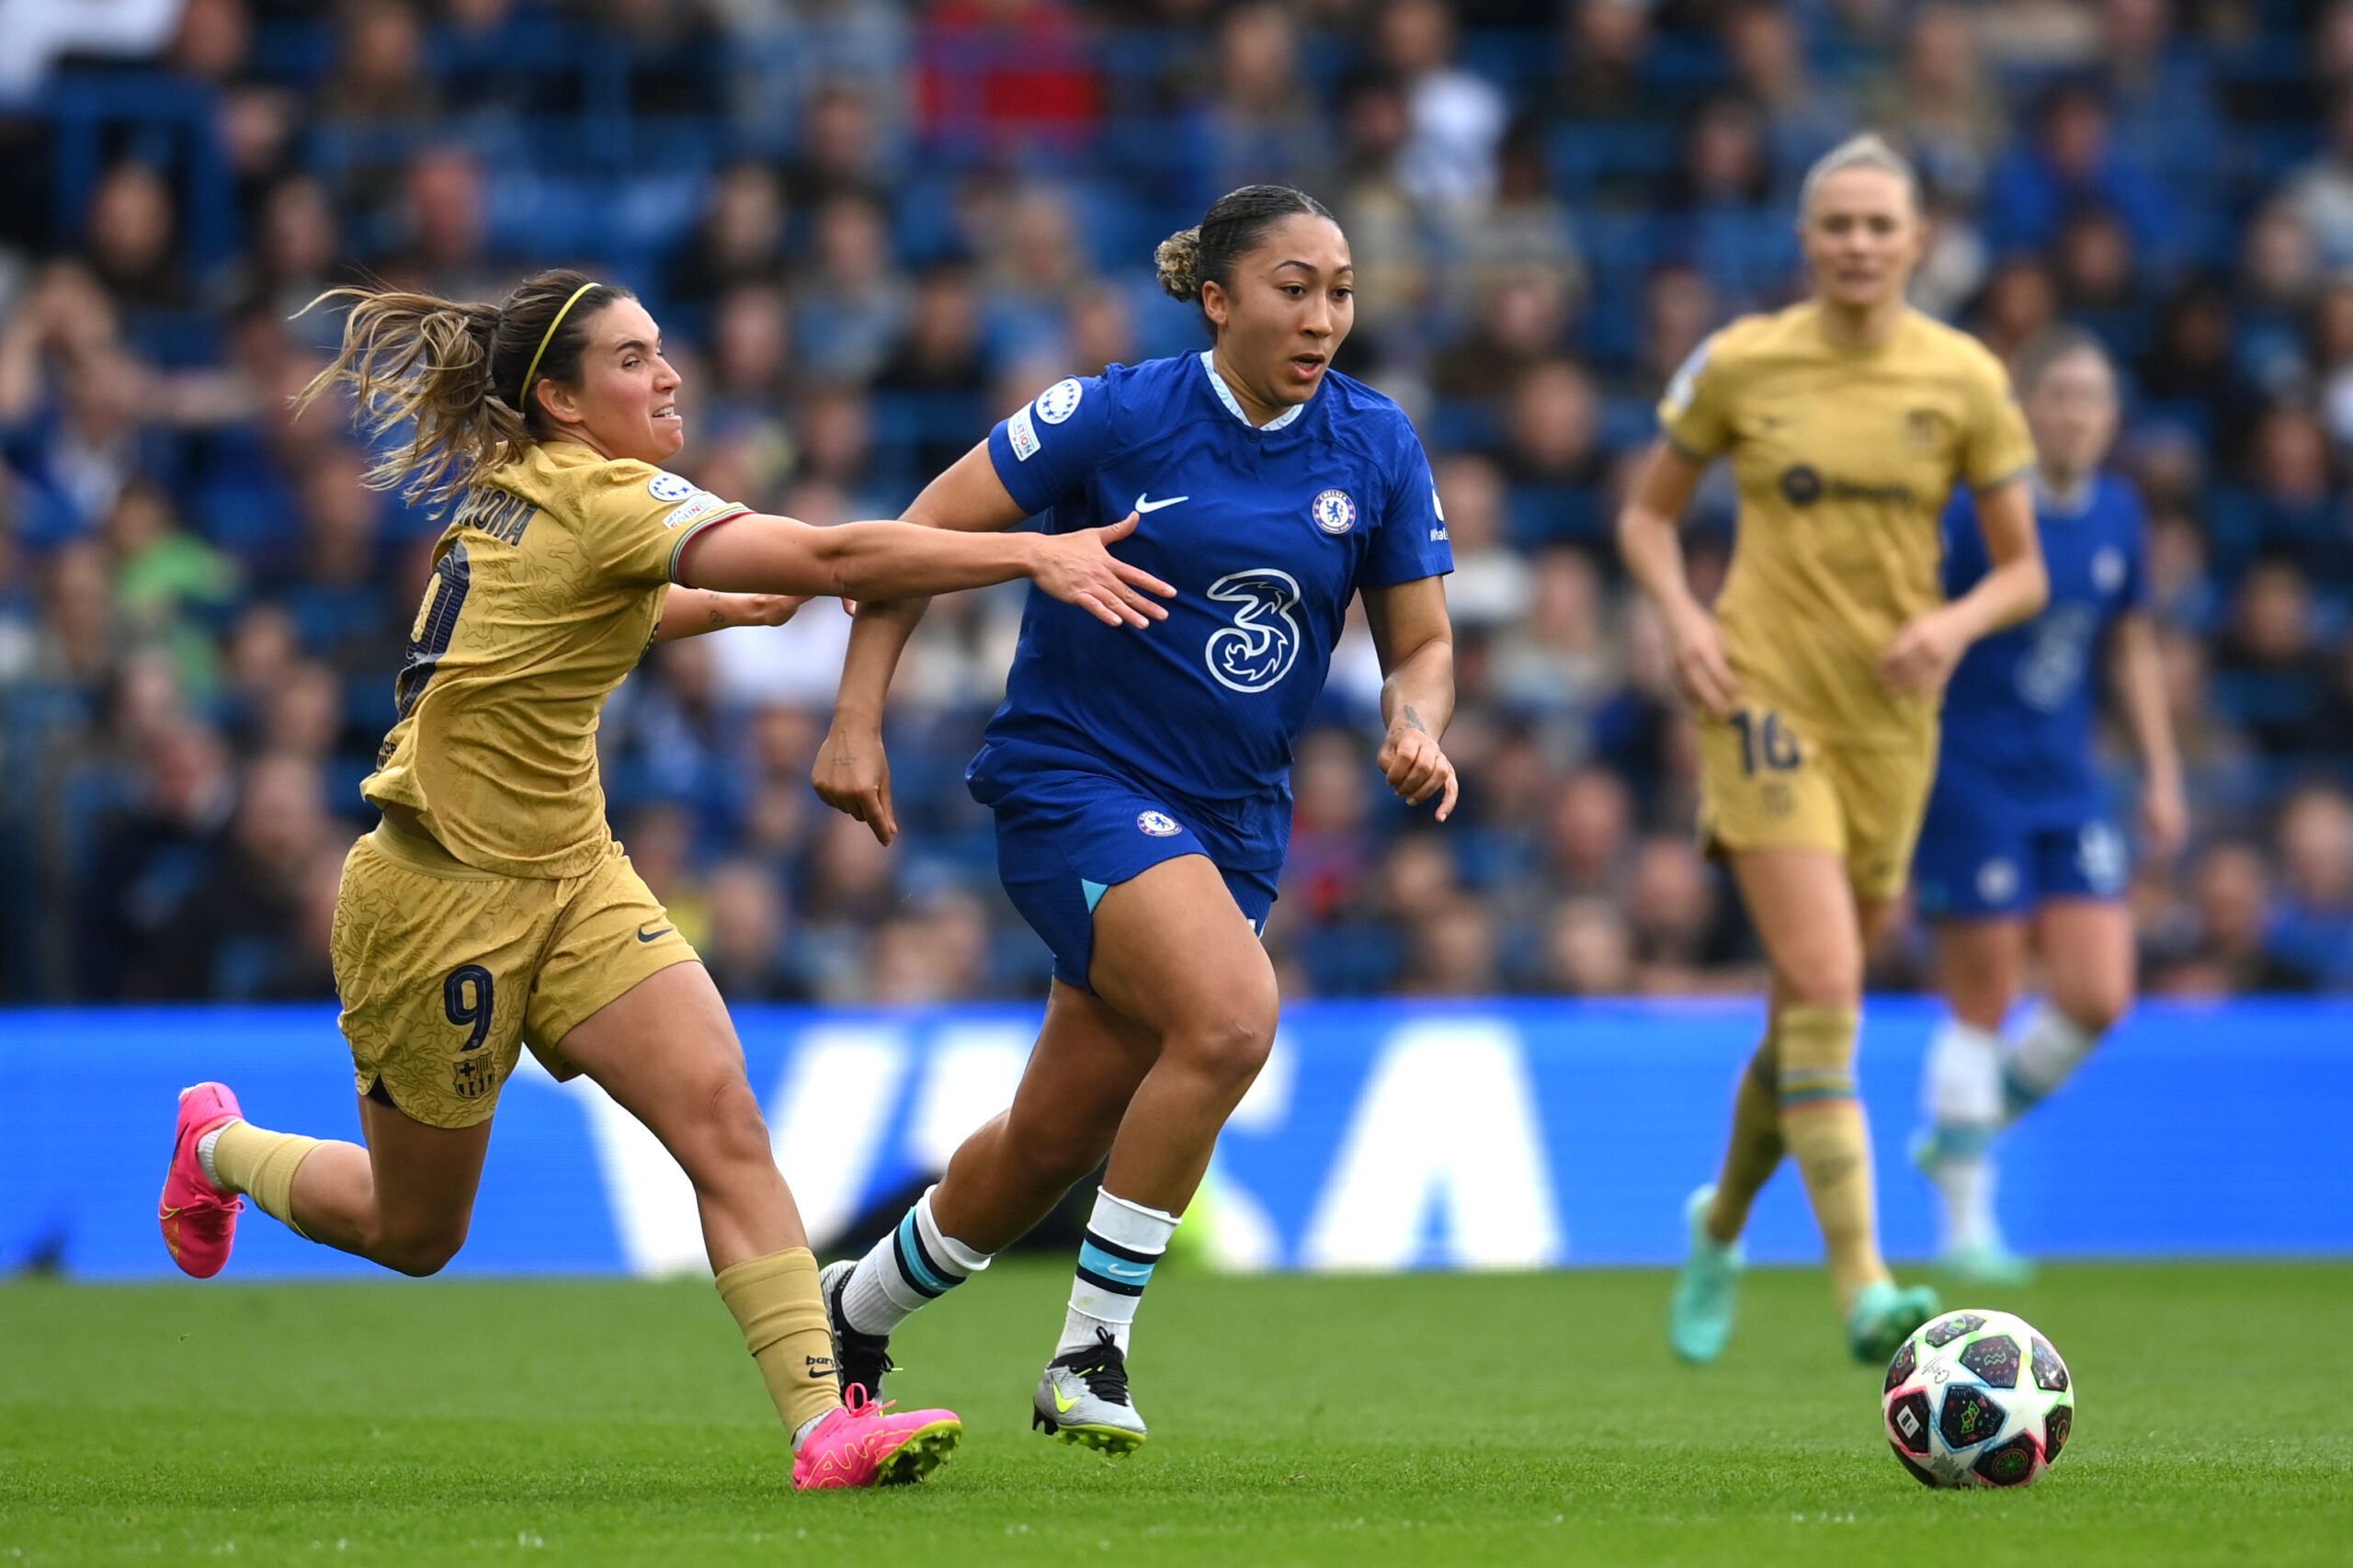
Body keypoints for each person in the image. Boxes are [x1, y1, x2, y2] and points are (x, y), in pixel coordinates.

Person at [153, 268, 1174, 1491]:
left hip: (574, 878)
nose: (669, 372)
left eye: (659, 349)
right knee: (414, 1228)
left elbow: (547, 624)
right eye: (633, 360)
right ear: (566, 402)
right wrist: (1031, 554)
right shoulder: (607, 495)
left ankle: (825, 1425)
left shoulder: (533, 500)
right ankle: (219, 1147)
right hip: (437, 905)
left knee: (723, 1118)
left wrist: (701, 610)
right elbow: (835, 547)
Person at [807, 185, 1458, 1452]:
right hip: (1075, 782)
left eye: (1341, 289)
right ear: (1216, 298)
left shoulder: (1377, 444)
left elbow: (1423, 642)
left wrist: (1415, 716)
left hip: (1233, 824)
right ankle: (1089, 1350)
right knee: (1230, 1016)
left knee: (1051, 1138)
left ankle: (854, 1302)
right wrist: (855, 717)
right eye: (1293, 286)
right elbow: (910, 541)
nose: (1324, 314)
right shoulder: (1112, 414)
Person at [1616, 135, 2049, 1366]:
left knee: (1807, 1003)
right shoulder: (1744, 363)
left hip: (1891, 725)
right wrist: (1686, 619)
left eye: (1880, 224)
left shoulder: (1962, 377)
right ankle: (1864, 1280)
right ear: (1805, 241)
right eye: (1837, 224)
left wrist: (1953, 623)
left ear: (1916, 240)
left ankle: (1721, 1219)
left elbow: (2024, 569)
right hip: (1761, 697)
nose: (1859, 243)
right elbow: (1646, 517)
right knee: (1827, 983)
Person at [1912, 326, 2186, 1283]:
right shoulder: (1968, 512)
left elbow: (2128, 643)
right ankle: (1964, 1223)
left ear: (2112, 417)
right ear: (2023, 406)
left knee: (2098, 992)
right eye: (2059, 393)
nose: (2075, 411)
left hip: (2065, 780)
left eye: (2092, 396)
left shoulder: (2116, 511)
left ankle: (1960, 1129)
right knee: (1984, 993)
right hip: (1966, 773)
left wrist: (2160, 769)